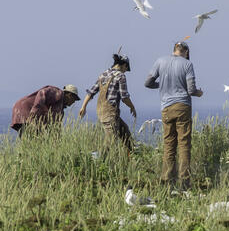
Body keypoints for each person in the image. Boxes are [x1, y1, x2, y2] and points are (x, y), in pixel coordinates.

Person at [144, 42, 203, 190]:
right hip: (182, 106)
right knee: (184, 144)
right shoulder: (187, 64)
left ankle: (166, 181)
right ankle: (184, 182)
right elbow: (190, 90)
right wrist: (199, 93)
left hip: (166, 108)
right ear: (186, 52)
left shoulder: (160, 61)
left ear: (174, 50)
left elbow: (148, 83)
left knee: (169, 144)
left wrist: (162, 84)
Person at [79, 52, 137, 150]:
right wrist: (132, 107)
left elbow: (91, 92)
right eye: (126, 69)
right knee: (109, 143)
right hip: (110, 113)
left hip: (101, 112)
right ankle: (102, 162)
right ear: (124, 65)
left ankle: (131, 158)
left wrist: (83, 107)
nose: (125, 71)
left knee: (125, 133)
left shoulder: (103, 74)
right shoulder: (121, 76)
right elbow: (124, 97)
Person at [10, 84, 80, 136]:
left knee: (31, 139)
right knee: (33, 139)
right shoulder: (58, 93)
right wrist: (34, 113)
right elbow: (42, 93)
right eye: (74, 99)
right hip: (25, 110)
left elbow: (55, 127)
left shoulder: (59, 110)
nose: (74, 102)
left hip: (23, 112)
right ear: (69, 95)